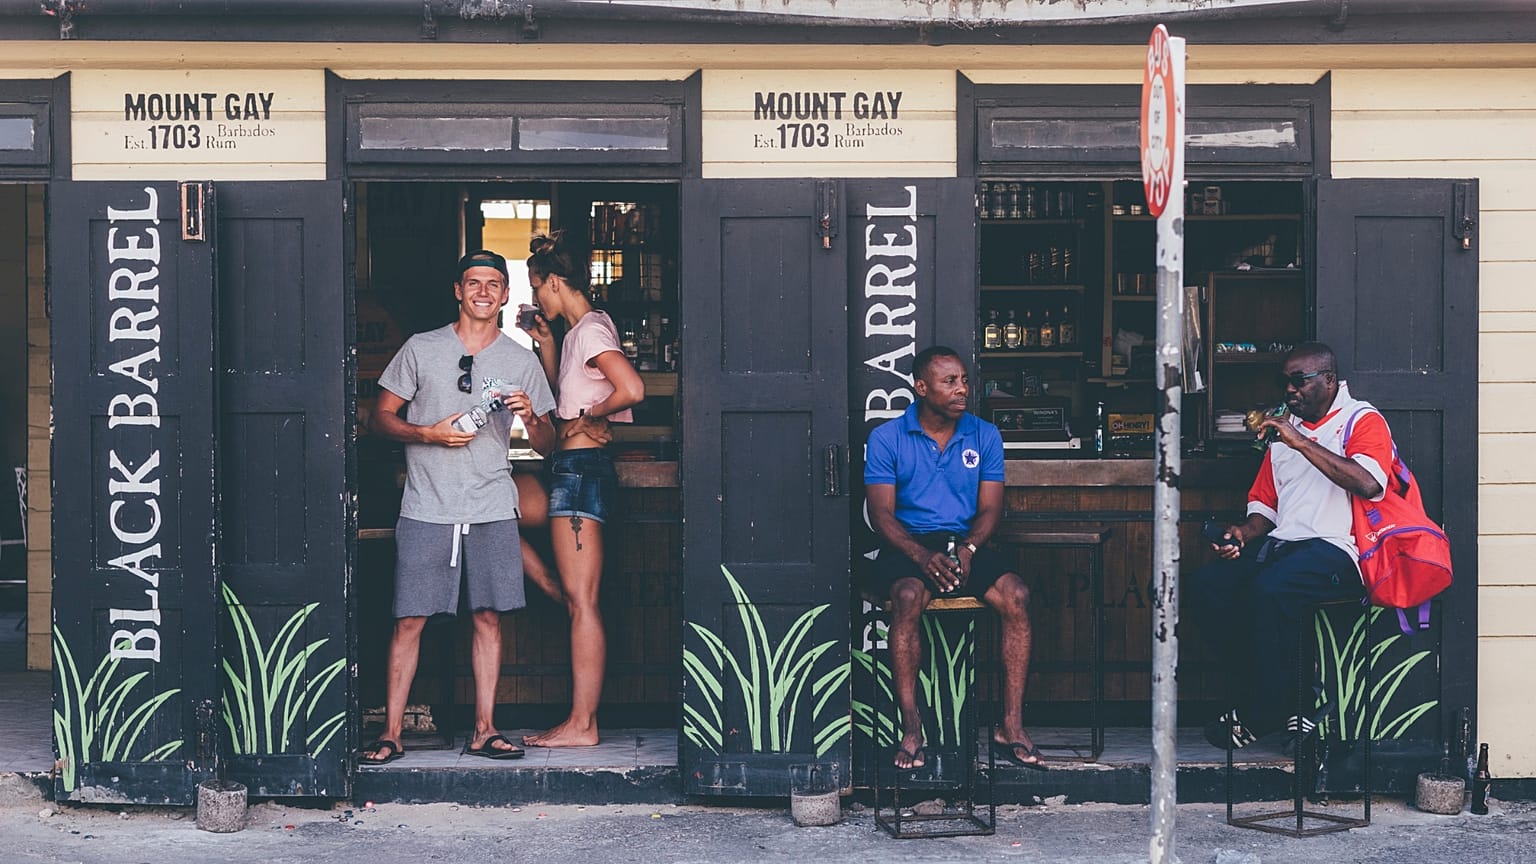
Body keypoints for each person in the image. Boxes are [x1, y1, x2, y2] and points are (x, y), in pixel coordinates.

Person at [360, 249, 557, 765]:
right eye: (474, 283)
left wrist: (532, 416)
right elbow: (378, 418)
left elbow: (549, 444)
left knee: (489, 617)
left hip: (491, 503)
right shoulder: (421, 349)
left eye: (494, 284)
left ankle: (485, 730)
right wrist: (426, 432)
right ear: (458, 290)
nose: (483, 292)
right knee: (410, 619)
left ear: (505, 294)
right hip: (427, 504)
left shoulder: (519, 360)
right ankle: (392, 733)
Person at [1189, 341, 1393, 749]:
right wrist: (1242, 535)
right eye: (1285, 382)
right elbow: (1265, 507)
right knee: (1205, 588)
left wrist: (1299, 442)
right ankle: (1276, 695)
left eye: (1299, 381)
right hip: (1286, 546)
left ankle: (1264, 710)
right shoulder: (1284, 433)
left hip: (1342, 551)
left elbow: (1370, 484)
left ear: (1329, 380)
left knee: (1270, 591)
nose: (1290, 391)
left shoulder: (1361, 420)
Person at [864, 346, 1046, 771]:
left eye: (964, 380)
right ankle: (912, 729)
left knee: (1016, 595)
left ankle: (1011, 726)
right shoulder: (887, 438)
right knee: (908, 597)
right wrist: (921, 555)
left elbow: (990, 510)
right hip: (908, 546)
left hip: (965, 542)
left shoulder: (984, 435)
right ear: (921, 387)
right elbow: (881, 516)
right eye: (950, 382)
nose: (962, 389)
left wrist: (968, 549)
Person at [517, 231, 645, 748]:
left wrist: (588, 417)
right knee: (486, 509)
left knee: (583, 603)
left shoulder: (592, 332)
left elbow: (631, 388)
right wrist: (545, 341)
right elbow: (558, 398)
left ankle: (583, 724)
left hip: (582, 471)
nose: (537, 298)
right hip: (570, 470)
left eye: (537, 288)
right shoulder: (577, 334)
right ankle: (553, 587)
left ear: (553, 281)